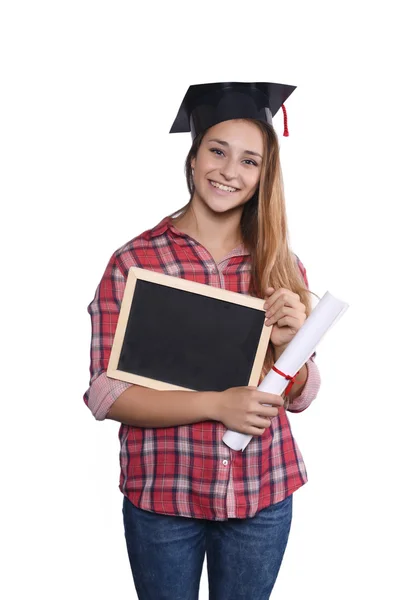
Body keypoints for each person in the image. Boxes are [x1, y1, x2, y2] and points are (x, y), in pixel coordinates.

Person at [84, 82, 321, 600]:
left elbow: (299, 394)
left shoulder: (281, 265)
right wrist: (217, 405)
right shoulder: (135, 263)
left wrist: (289, 346)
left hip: (263, 491)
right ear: (192, 160)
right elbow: (106, 394)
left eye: (250, 161)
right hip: (163, 493)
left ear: (264, 177)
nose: (229, 171)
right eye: (217, 151)